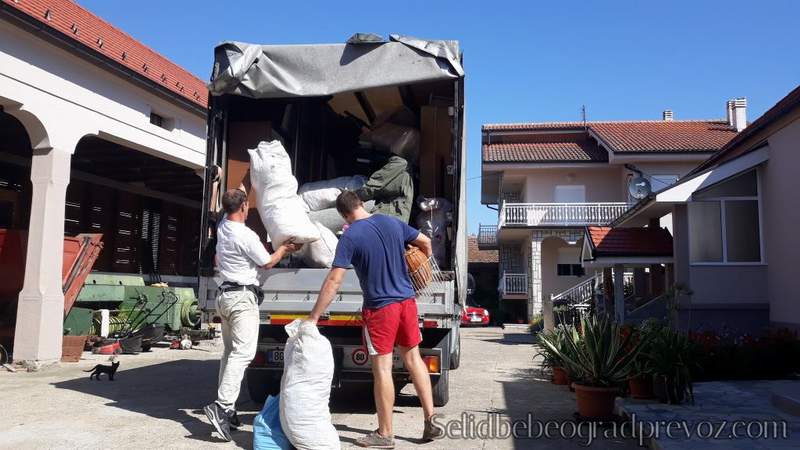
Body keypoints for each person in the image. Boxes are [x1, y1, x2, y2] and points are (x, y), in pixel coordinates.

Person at [307, 191, 445, 448]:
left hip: (380, 309)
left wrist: (314, 316)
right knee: (414, 359)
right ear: (361, 204)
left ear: (344, 215)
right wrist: (422, 272)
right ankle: (431, 420)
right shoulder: (391, 222)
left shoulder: (350, 236)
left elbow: (335, 280)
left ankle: (385, 433)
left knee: (383, 368)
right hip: (406, 302)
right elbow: (425, 242)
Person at [204, 188, 300, 442]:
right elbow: (266, 262)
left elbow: (222, 210)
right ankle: (221, 407)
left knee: (229, 354)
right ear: (244, 206)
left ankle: (230, 409)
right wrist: (285, 249)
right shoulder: (245, 235)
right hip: (241, 300)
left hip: (224, 297)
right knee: (243, 354)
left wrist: (221, 185)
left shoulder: (224, 226)